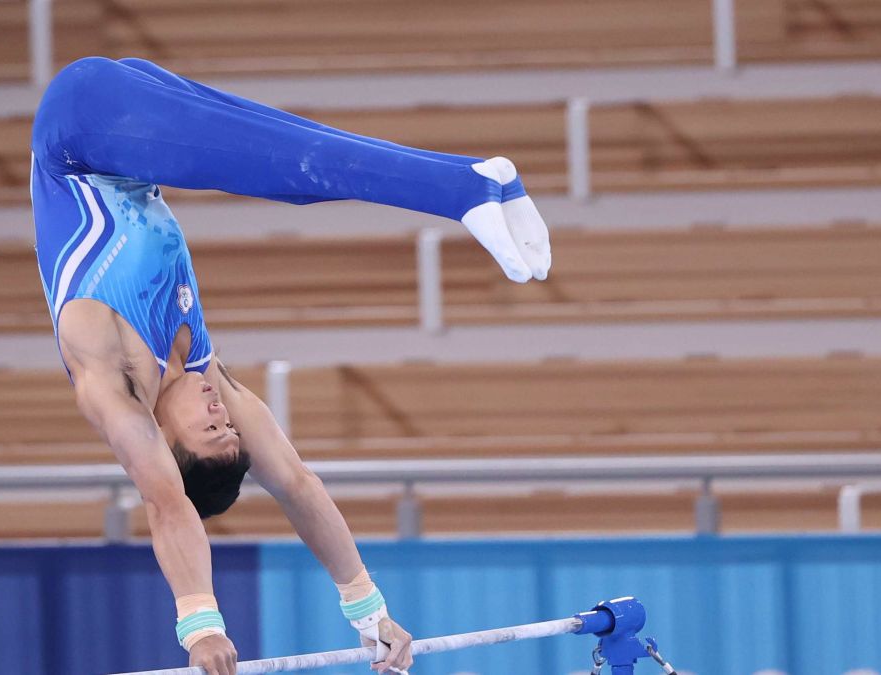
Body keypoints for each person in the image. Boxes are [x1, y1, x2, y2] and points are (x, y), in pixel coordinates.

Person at [29, 57, 552, 675]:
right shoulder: (206, 371)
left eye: (209, 429)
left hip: (78, 132)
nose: (222, 413)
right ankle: (486, 185)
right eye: (229, 426)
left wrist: (199, 622)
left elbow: (167, 502)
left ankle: (464, 188)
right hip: (130, 126)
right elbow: (298, 485)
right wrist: (368, 611)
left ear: (163, 440)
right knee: (287, 164)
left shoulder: (111, 377)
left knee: (286, 163)